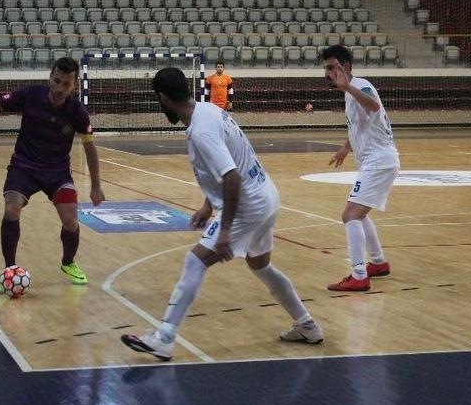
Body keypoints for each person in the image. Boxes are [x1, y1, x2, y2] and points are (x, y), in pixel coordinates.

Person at [120, 67, 323, 361]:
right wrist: (208, 204)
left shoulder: (200, 131)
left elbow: (231, 177)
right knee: (260, 265)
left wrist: (225, 229)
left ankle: (164, 338)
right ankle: (308, 326)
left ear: (163, 98)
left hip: (248, 204)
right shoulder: (207, 110)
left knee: (195, 260)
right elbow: (227, 166)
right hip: (267, 194)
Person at [0, 57, 105, 287]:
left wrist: (96, 186)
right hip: (24, 166)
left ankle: (68, 262)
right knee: (12, 208)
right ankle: (9, 269)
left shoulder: (77, 112)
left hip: (57, 173)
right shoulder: (31, 95)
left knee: (71, 220)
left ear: (74, 86)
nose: (60, 88)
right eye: (56, 81)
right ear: (50, 77)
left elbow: (90, 149)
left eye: (66, 84)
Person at [321, 45, 400, 292]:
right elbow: (361, 124)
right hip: (376, 161)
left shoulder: (360, 86)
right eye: (326, 69)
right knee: (359, 214)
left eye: (331, 68)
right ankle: (378, 262)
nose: (327, 74)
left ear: (345, 67)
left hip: (379, 161)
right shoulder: (350, 91)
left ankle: (359, 276)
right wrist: (346, 146)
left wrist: (349, 88)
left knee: (350, 215)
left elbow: (374, 106)